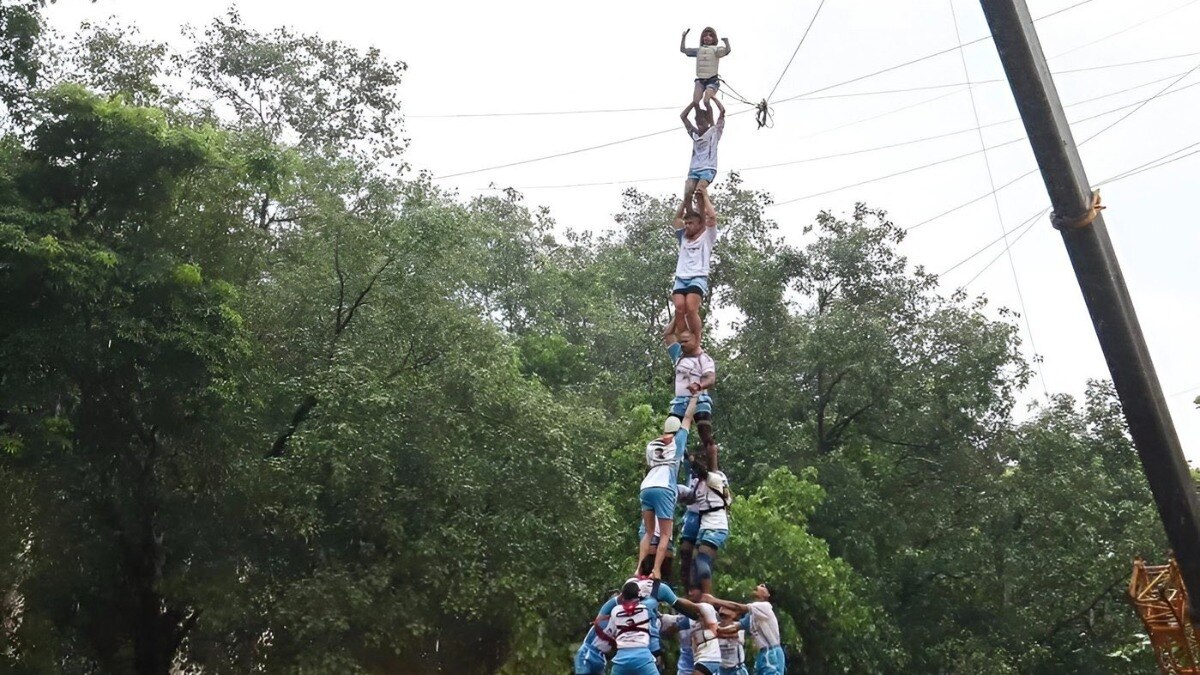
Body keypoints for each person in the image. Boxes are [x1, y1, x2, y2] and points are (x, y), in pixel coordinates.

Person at [639, 395, 697, 580]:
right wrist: (695, 396)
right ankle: (656, 569)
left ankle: (639, 569)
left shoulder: (651, 445)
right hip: (664, 487)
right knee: (665, 534)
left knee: (649, 532)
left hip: (646, 486)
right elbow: (688, 418)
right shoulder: (678, 441)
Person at [667, 188, 719, 347]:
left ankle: (697, 338)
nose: (687, 226)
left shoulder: (707, 237)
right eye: (686, 223)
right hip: (681, 277)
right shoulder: (683, 237)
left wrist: (704, 195)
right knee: (679, 308)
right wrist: (685, 198)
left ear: (699, 224)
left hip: (698, 276)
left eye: (691, 223)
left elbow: (712, 217)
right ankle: (685, 341)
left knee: (691, 307)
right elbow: (676, 220)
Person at [706, 584, 786, 675]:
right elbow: (735, 627)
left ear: (768, 595)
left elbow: (738, 607)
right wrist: (717, 630)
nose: (759, 585)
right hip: (763, 653)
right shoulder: (752, 615)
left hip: (772, 653)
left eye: (763, 586)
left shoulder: (765, 606)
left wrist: (713, 600)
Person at [665, 329, 716, 469]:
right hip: (680, 402)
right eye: (681, 342)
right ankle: (668, 466)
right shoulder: (678, 355)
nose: (683, 344)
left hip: (700, 400)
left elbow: (711, 378)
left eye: (686, 341)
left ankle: (714, 472)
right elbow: (668, 334)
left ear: (696, 340)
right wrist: (679, 312)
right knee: (669, 434)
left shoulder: (704, 359)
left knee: (705, 433)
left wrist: (699, 385)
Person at [679, 458, 730, 595]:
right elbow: (691, 499)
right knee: (694, 560)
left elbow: (703, 470)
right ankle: (694, 591)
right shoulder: (698, 484)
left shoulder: (715, 478)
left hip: (716, 524)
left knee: (702, 559)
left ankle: (707, 595)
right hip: (705, 525)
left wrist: (692, 459)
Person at [679, 97, 726, 210]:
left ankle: (705, 213)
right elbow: (683, 116)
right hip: (694, 169)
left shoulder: (714, 131)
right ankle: (691, 218)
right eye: (698, 123)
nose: (699, 125)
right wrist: (695, 102)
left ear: (707, 122)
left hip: (708, 168)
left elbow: (722, 111)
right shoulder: (694, 134)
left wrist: (712, 98)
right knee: (688, 194)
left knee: (699, 191)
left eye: (702, 123)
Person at [679, 26, 731, 113]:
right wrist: (683, 37)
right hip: (700, 80)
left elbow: (727, 51)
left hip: (712, 80)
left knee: (706, 100)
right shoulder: (698, 50)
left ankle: (711, 120)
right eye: (705, 35)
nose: (707, 37)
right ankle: (701, 119)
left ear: (713, 39)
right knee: (696, 101)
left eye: (710, 35)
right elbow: (683, 50)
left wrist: (726, 41)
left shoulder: (716, 50)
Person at [685, 584, 723, 675]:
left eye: (693, 590)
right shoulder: (689, 617)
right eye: (688, 591)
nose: (690, 593)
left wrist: (672, 599)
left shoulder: (707, 607)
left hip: (709, 657)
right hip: (699, 658)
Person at [717, 607, 749, 675]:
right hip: (721, 668)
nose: (723, 618)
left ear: (732, 616)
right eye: (722, 616)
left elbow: (735, 635)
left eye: (726, 616)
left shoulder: (739, 626)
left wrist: (719, 633)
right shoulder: (715, 626)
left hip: (737, 668)